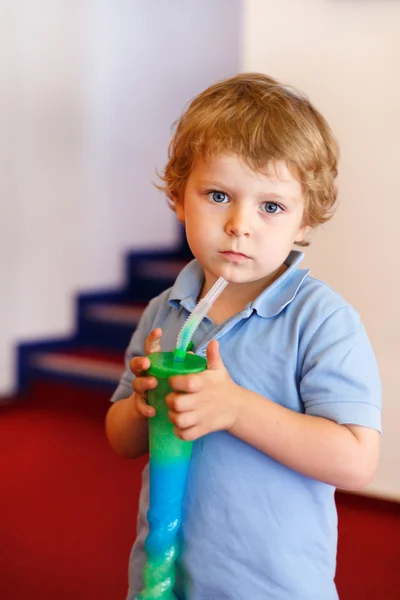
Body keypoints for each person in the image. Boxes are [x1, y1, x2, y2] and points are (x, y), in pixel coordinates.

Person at [105, 73, 381, 600]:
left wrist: (235, 409)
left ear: (305, 220)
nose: (239, 224)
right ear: (179, 197)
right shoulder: (165, 311)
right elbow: (120, 440)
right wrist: (142, 405)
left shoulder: (320, 320)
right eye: (217, 195)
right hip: (164, 578)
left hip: (275, 587)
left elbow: (356, 461)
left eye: (270, 206)